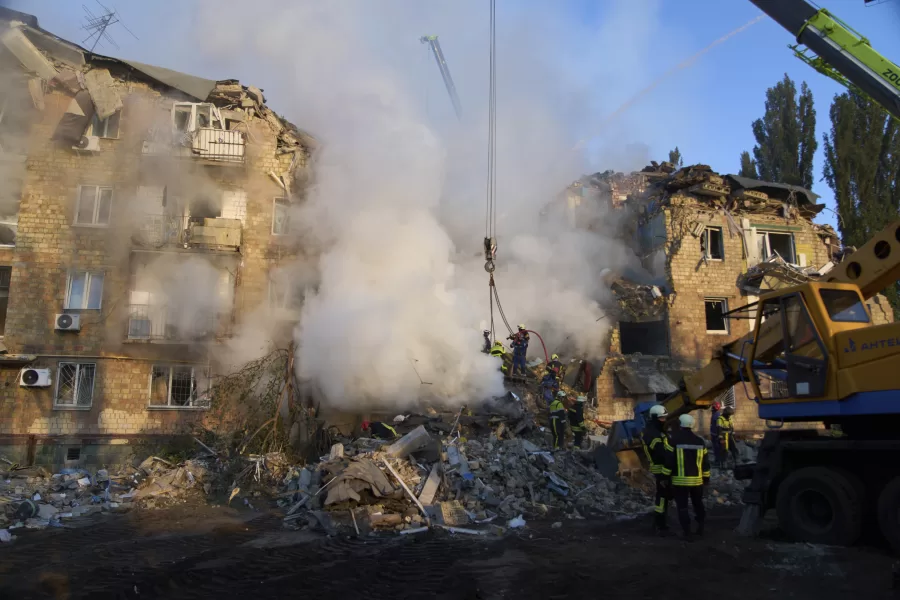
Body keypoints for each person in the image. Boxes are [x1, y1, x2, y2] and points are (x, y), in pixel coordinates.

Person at [665, 413, 710, 541]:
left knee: (682, 506)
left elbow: (669, 461)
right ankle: (700, 528)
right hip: (697, 481)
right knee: (698, 504)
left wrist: (664, 477)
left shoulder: (673, 440)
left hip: (680, 481)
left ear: (680, 425)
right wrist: (706, 479)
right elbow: (706, 463)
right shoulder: (700, 441)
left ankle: (687, 532)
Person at [641, 404, 673, 534]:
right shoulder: (652, 434)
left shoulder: (656, 430)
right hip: (661, 469)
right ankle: (660, 523)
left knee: (664, 496)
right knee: (662, 496)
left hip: (663, 468)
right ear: (654, 418)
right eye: (661, 418)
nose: (664, 420)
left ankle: (660, 521)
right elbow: (661, 454)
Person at [710, 401, 723, 466]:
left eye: (712, 407)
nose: (711, 408)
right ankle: (718, 460)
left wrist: (718, 435)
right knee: (716, 448)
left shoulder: (716, 415)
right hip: (714, 434)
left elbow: (718, 426)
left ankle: (718, 461)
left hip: (716, 435)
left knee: (717, 448)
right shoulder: (715, 414)